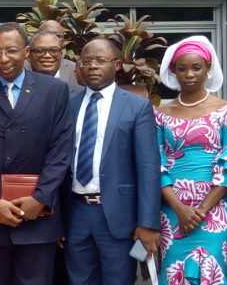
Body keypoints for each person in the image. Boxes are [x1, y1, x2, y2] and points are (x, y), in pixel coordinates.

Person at [0, 22, 74, 285]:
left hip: (39, 218)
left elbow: (61, 150)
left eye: (11, 50)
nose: (4, 59)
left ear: (27, 51)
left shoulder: (54, 91)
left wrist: (40, 197)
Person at [155, 36, 227, 285]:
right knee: (172, 271)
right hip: (172, 208)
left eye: (196, 67)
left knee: (210, 270)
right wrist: (180, 208)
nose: (189, 74)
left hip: (216, 209)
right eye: (182, 68)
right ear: (172, 71)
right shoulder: (159, 114)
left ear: (208, 69)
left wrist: (200, 211)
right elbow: (155, 163)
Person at [64, 39, 160, 285]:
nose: (93, 66)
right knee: (79, 280)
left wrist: (147, 223)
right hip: (76, 212)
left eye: (101, 61)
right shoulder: (69, 105)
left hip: (118, 215)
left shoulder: (137, 106)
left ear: (116, 64)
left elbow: (148, 168)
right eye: (86, 62)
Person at [28, 30, 83, 95]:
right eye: (40, 50)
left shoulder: (78, 91)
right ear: (28, 55)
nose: (47, 55)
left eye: (54, 50)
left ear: (61, 54)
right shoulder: (19, 87)